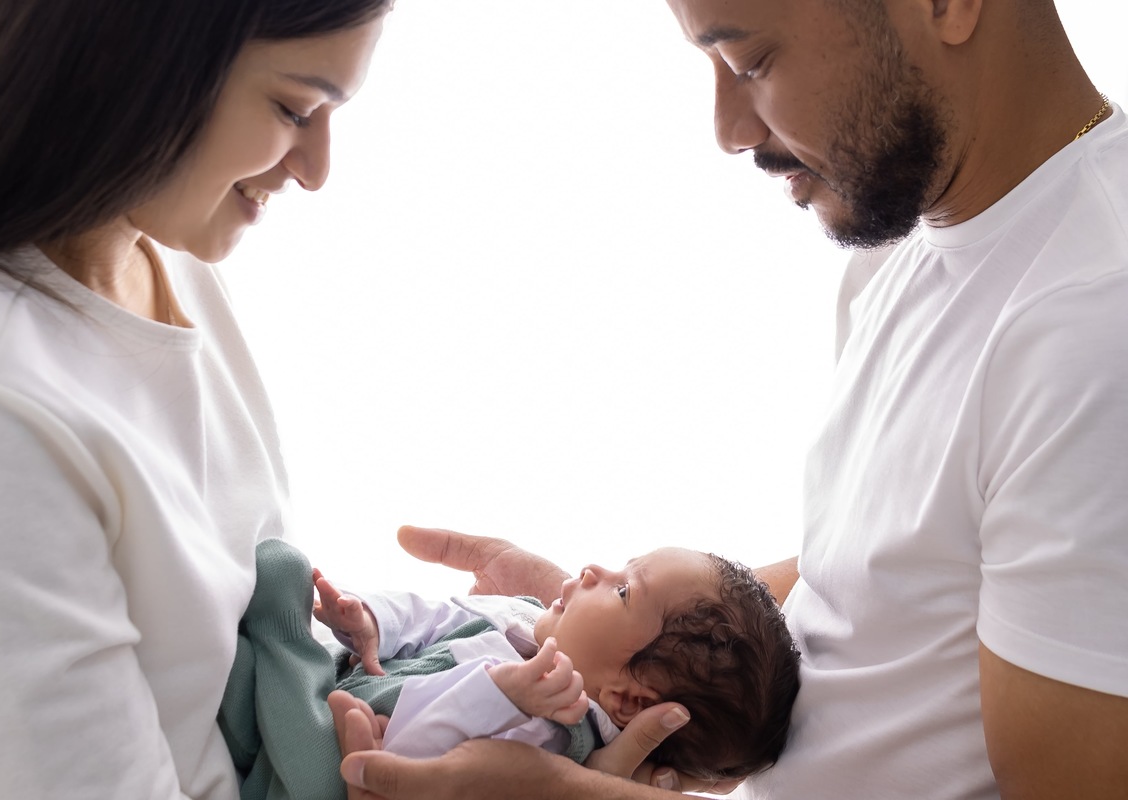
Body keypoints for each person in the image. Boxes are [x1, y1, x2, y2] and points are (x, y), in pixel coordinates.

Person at [332, 1, 1128, 798]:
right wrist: (605, 632)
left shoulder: (1094, 322)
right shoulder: (904, 248)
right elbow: (879, 583)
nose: (729, 128)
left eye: (750, 62)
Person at [0, 2, 405, 797]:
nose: (317, 168)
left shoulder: (171, 271)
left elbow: (225, 662)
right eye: (295, 109)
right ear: (137, 59)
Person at [217, 538, 799, 798]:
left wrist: (499, 694)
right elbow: (440, 615)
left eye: (625, 591)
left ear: (627, 699)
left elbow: (410, 764)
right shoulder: (527, 620)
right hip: (342, 682)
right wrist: (373, 622)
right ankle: (264, 665)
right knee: (279, 603)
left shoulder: (552, 734)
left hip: (327, 765)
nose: (594, 568)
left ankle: (275, 644)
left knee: (279, 579)